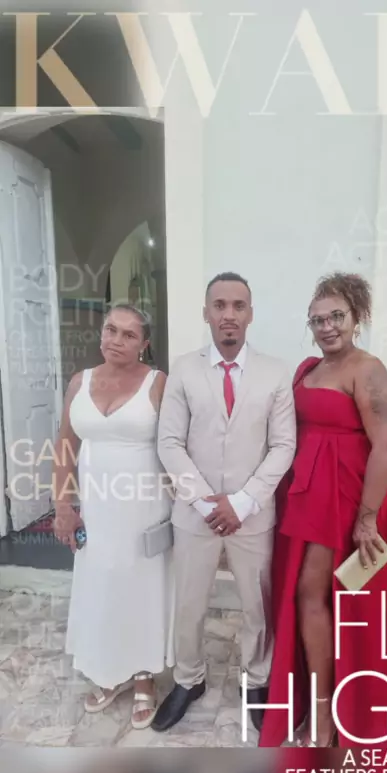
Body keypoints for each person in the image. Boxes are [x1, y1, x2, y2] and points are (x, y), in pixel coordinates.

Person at [259, 272, 387, 747]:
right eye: (317, 320)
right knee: (309, 595)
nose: (327, 326)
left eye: (336, 316)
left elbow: (386, 445)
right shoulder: (309, 369)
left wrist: (367, 518)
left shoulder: (368, 370)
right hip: (308, 495)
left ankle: (331, 711)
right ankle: (320, 702)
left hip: (351, 497)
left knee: (330, 598)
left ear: (357, 316)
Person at [151, 272, 296, 733]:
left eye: (238, 305)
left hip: (252, 515)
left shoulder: (276, 372)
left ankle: (256, 679)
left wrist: (243, 501)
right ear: (206, 313)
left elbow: (284, 445)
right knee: (190, 603)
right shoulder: (183, 369)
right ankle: (188, 679)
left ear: (250, 314)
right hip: (194, 515)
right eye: (219, 305)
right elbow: (169, 442)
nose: (228, 314)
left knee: (256, 605)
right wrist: (203, 502)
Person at [53, 303, 175, 730]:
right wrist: (63, 506)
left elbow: (176, 445)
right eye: (110, 330)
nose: (116, 340)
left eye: (128, 334)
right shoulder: (79, 382)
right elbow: (65, 446)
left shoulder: (158, 383)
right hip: (96, 508)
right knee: (100, 585)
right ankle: (107, 671)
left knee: (141, 587)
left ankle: (143, 676)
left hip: (145, 506)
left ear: (144, 344)